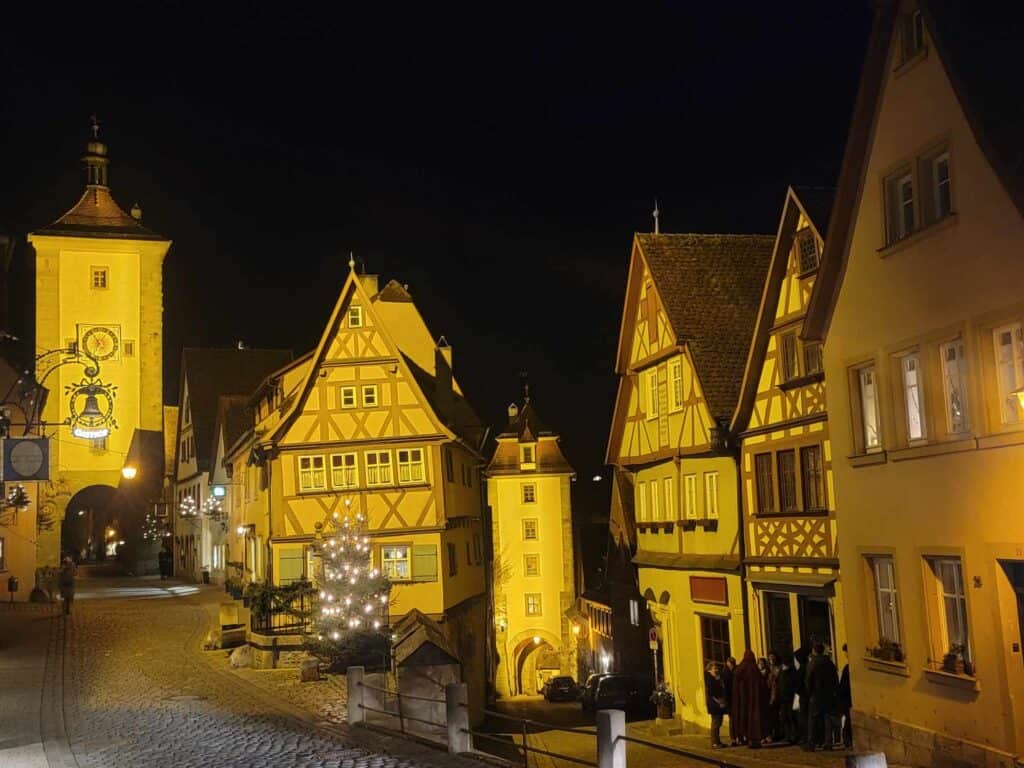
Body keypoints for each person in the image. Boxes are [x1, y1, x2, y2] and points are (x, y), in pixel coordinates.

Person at [731, 650, 769, 747]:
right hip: (754, 701)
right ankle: (754, 740)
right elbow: (761, 685)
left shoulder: (739, 669)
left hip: (743, 701)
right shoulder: (754, 670)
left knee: (746, 719)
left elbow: (736, 686)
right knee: (754, 719)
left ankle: (746, 738)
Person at [805, 643, 839, 750]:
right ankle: (828, 742)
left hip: (816, 694)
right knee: (827, 717)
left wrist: (809, 692)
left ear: (814, 651)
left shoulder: (812, 663)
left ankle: (811, 743)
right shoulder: (829, 662)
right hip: (828, 694)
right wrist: (834, 691)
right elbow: (835, 678)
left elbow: (808, 679)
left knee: (813, 719)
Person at [705, 662, 729, 748]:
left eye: (717, 668)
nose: (716, 670)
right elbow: (712, 693)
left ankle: (717, 741)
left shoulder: (717, 678)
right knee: (716, 723)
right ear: (709, 670)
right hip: (714, 704)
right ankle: (714, 742)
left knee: (718, 722)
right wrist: (719, 702)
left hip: (718, 703)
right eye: (714, 668)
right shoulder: (710, 679)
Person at [774, 656, 798, 744]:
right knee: (785, 718)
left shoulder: (791, 671)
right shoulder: (782, 671)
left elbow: (791, 684)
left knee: (791, 718)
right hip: (783, 698)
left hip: (789, 697)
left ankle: (793, 736)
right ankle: (788, 735)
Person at [838, 644, 853, 748]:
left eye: (846, 652)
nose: (846, 655)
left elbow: (844, 685)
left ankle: (847, 740)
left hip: (847, 698)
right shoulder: (848, 667)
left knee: (848, 720)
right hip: (848, 698)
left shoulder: (848, 668)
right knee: (848, 719)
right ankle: (847, 740)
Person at [721, 656, 737, 745]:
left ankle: (738, 737)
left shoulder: (736, 671)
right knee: (732, 719)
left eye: (732, 663)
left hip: (736, 698)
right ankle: (733, 738)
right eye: (730, 663)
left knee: (736, 719)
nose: (731, 665)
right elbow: (725, 689)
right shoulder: (725, 673)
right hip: (729, 699)